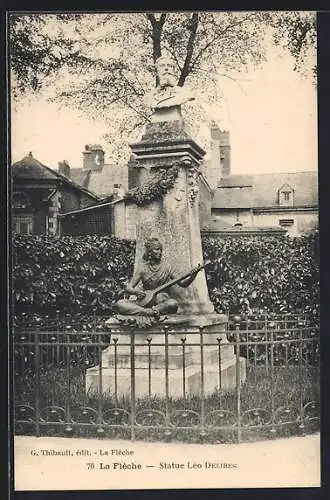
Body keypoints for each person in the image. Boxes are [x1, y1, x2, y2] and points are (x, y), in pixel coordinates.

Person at [115, 237, 200, 317]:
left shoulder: (167, 267)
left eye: (160, 250)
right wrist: (136, 292)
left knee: (173, 303)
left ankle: (150, 311)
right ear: (150, 252)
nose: (159, 252)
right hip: (145, 300)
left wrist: (193, 275)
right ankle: (146, 312)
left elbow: (183, 284)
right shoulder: (142, 268)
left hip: (161, 300)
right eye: (156, 249)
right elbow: (129, 287)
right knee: (120, 304)